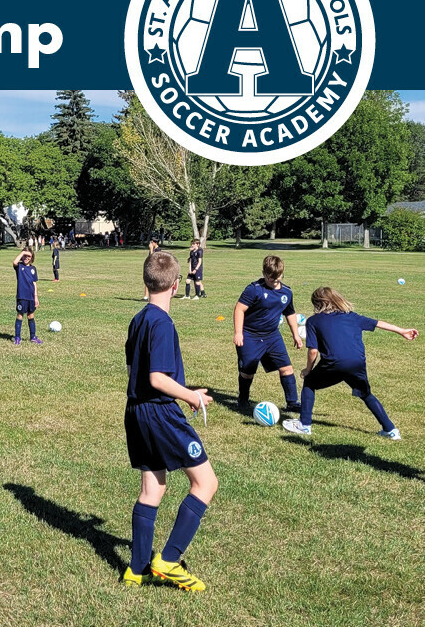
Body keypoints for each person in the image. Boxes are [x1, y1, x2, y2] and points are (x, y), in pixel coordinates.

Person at [122, 250, 216, 591]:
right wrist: (191, 396)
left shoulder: (140, 317)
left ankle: (137, 569)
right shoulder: (162, 323)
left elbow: (135, 370)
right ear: (176, 286)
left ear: (146, 283)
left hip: (136, 411)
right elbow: (158, 377)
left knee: (153, 488)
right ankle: (169, 560)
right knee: (206, 484)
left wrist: (184, 389)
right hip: (160, 412)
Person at [282, 287, 418, 439]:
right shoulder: (352, 316)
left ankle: (304, 425)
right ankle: (391, 430)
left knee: (310, 382)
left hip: (334, 363)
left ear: (317, 304)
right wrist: (402, 331)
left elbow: (313, 351)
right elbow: (378, 323)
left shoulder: (313, 321)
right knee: (366, 394)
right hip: (357, 362)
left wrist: (308, 370)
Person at [233, 255, 302, 411]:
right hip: (250, 334)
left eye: (277, 279)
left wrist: (296, 335)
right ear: (264, 274)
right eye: (271, 279)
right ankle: (243, 399)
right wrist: (238, 333)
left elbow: (290, 313)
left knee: (287, 368)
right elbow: (239, 309)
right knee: (248, 371)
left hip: (272, 335)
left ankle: (292, 403)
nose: (274, 282)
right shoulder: (254, 289)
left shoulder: (287, 292)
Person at [13, 247, 41, 345]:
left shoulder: (33, 269)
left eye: (29, 256)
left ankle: (33, 336)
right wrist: (23, 252)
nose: (26, 257)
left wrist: (36, 296)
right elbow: (14, 262)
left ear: (32, 257)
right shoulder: (19, 266)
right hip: (22, 296)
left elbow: (34, 283)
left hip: (31, 297)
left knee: (31, 315)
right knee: (20, 315)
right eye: (25, 255)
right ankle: (17, 337)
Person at [142, 237, 161, 302]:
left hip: (155, 268)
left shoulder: (158, 250)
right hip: (149, 267)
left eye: (152, 242)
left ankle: (154, 297)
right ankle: (146, 296)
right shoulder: (152, 249)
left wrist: (151, 249)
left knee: (153, 283)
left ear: (155, 243)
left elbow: (153, 258)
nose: (150, 244)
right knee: (147, 281)